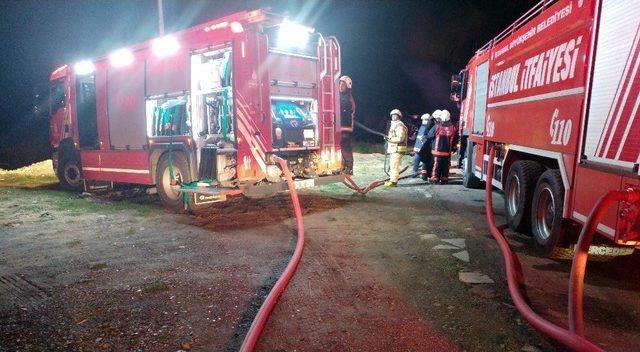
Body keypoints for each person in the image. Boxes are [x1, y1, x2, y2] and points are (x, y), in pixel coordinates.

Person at [427, 109, 457, 184]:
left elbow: (429, 135)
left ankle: (435, 178)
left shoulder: (437, 127)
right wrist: (453, 148)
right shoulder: (453, 128)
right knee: (445, 166)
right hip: (447, 152)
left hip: (437, 151)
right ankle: (444, 178)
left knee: (436, 165)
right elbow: (455, 140)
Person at [385, 109, 408, 187]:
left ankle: (393, 182)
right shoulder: (394, 124)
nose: (393, 117)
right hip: (394, 148)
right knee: (393, 165)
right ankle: (393, 179)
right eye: (392, 115)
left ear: (399, 117)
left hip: (397, 149)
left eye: (395, 115)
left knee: (394, 166)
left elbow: (400, 138)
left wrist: (390, 140)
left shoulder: (399, 125)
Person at [339, 75, 356, 175]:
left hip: (345, 127)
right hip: (340, 126)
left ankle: (349, 168)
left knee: (345, 147)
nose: (341, 86)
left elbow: (345, 111)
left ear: (347, 87)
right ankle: (344, 167)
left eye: (343, 84)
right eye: (340, 83)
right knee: (340, 147)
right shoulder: (342, 96)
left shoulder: (347, 98)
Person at [412, 113, 432, 177]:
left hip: (424, 147)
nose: (424, 121)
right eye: (423, 119)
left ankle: (423, 173)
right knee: (417, 159)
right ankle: (416, 171)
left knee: (423, 160)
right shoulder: (421, 127)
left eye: (426, 119)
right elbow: (418, 137)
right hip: (419, 147)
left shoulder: (428, 127)